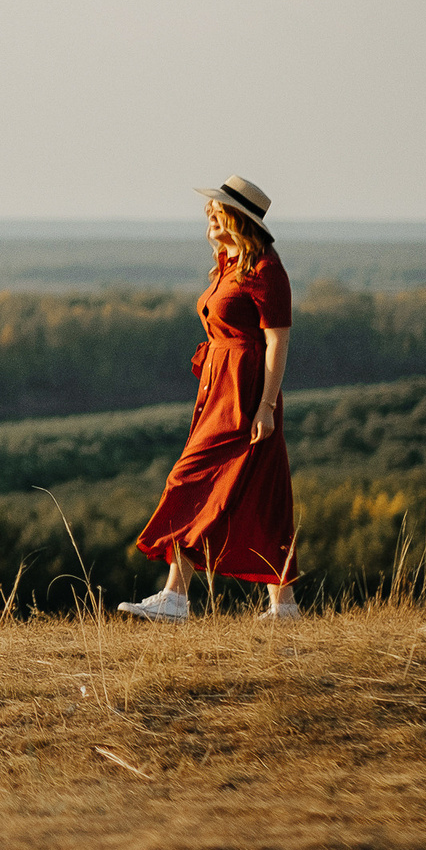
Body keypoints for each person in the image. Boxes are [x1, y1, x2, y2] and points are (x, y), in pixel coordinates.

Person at [118, 176, 301, 622]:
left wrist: (264, 406)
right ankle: (284, 606)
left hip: (244, 390)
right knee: (260, 490)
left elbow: (277, 343)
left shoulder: (266, 270)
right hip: (219, 386)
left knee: (189, 480)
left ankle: (176, 599)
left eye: (217, 212)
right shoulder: (228, 263)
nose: (209, 217)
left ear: (236, 219)